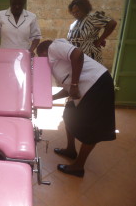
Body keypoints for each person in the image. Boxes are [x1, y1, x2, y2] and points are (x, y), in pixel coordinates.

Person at [36, 39, 116, 177]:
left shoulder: (54, 47)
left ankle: (79, 167)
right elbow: (67, 89)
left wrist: (74, 84)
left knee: (92, 127)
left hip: (98, 84)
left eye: (41, 58)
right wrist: (51, 98)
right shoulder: (58, 66)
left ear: (44, 52)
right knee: (69, 115)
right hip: (85, 89)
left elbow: (77, 54)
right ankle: (71, 150)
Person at [67, 0, 117, 64]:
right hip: (77, 59)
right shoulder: (74, 24)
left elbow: (112, 23)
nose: (75, 14)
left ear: (84, 9)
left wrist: (100, 40)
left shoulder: (92, 18)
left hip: (90, 57)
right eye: (73, 12)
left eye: (78, 11)